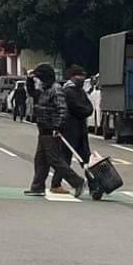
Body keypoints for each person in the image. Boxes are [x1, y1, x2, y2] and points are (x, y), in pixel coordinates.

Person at [25, 63, 85, 197]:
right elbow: (32, 93)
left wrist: (58, 127)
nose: (38, 81)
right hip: (43, 129)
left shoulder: (56, 89)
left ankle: (77, 181)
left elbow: (62, 110)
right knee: (40, 160)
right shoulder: (44, 89)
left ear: (46, 77)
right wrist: (29, 80)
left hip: (51, 130)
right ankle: (37, 187)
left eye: (39, 78)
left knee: (54, 160)